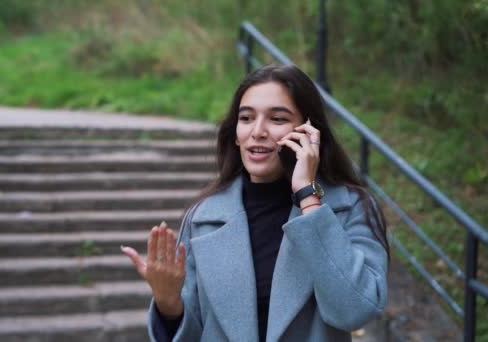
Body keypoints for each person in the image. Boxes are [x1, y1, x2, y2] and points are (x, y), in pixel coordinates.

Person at [121, 63, 390, 342]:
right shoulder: (203, 218)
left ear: (309, 132)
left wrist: (308, 197)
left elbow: (354, 311)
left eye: (277, 119)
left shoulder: (350, 207)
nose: (257, 131)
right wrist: (168, 305)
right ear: (235, 133)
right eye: (246, 118)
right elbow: (194, 334)